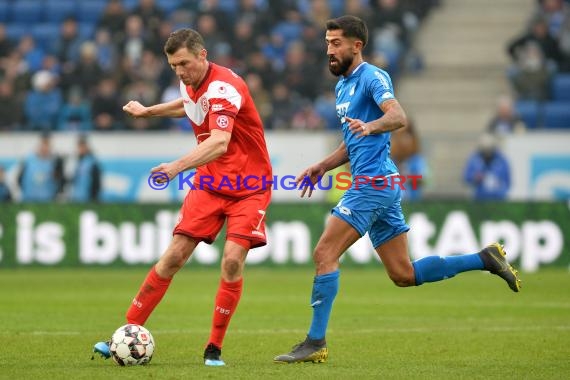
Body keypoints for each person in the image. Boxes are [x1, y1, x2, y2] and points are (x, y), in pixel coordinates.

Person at [273, 15, 521, 364]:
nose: (329, 49)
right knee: (403, 274)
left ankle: (315, 342)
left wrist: (373, 125)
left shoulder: (373, 77)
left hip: (372, 184)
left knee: (324, 254)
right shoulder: (342, 86)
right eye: (327, 42)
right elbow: (352, 140)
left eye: (336, 43)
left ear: (356, 45)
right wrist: (323, 166)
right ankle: (485, 258)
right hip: (381, 183)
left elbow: (398, 116)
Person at [93, 28, 272, 366]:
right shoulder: (190, 81)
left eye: (184, 64)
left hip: (249, 186)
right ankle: (124, 332)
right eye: (174, 66)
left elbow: (219, 141)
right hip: (210, 183)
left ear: (203, 56)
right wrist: (149, 111)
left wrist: (176, 167)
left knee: (232, 261)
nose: (179, 71)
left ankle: (213, 348)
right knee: (173, 257)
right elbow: (190, 105)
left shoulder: (225, 87)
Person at [17, 133, 65, 202]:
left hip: (47, 201)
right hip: (29, 200)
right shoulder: (28, 160)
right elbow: (19, 179)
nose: (45, 148)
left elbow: (59, 182)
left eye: (47, 145)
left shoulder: (54, 163)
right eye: (43, 144)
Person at [463, 133, 511, 200]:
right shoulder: (474, 159)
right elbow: (466, 177)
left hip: (498, 198)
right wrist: (475, 178)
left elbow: (507, 181)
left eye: (489, 149)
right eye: (485, 150)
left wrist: (499, 186)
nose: (487, 153)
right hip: (480, 198)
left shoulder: (501, 160)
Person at [69, 136, 101, 202]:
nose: (81, 149)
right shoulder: (77, 161)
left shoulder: (92, 162)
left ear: (87, 147)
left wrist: (94, 197)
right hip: (76, 198)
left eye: (83, 146)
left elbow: (96, 182)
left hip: (87, 199)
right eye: (79, 146)